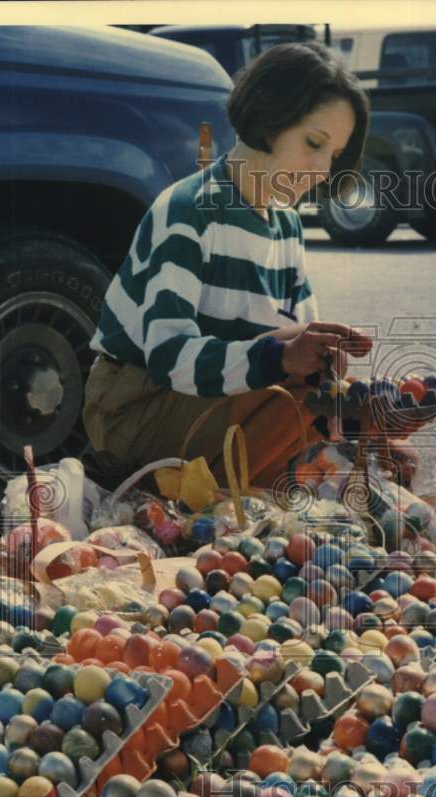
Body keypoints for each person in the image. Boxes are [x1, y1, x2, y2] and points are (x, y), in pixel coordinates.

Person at [82, 41, 377, 490]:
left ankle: (246, 496)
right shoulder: (189, 210)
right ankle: (217, 500)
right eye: (314, 143)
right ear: (267, 117)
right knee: (297, 395)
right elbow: (169, 358)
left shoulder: (288, 228)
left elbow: (304, 353)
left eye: (333, 156)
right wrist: (283, 358)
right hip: (136, 406)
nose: (321, 168)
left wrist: (346, 399)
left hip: (222, 402)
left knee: (345, 413)